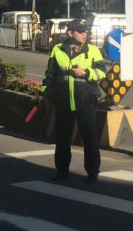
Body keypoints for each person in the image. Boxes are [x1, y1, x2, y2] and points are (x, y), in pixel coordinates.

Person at [40, 18, 107, 184]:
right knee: (62, 138)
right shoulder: (57, 49)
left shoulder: (92, 50)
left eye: (85, 31)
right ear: (70, 33)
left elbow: (102, 72)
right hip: (63, 101)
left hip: (85, 100)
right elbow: (50, 75)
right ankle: (62, 171)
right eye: (81, 31)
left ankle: (92, 172)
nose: (85, 34)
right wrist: (44, 92)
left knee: (90, 137)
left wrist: (85, 73)